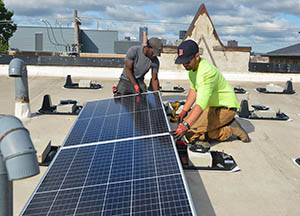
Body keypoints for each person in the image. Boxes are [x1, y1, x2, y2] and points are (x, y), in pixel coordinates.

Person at [172, 40, 249, 152]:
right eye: (183, 62)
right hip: (212, 106)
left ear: (197, 56)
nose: (185, 65)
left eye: (187, 61)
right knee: (189, 125)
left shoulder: (207, 72)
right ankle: (221, 125)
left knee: (190, 133)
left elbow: (201, 103)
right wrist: (184, 111)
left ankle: (230, 130)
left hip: (225, 108)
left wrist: (185, 125)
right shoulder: (192, 69)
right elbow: (194, 90)